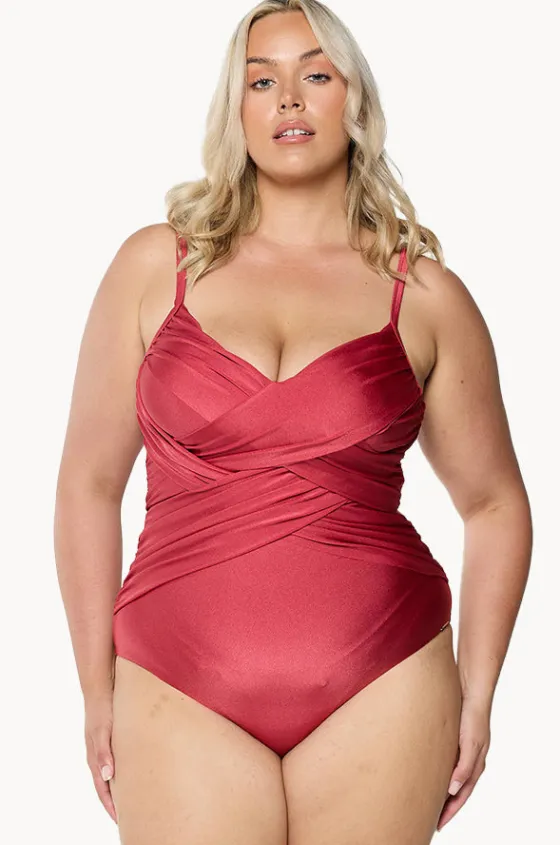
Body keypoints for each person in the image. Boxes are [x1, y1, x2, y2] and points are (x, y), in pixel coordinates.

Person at [53, 1, 533, 843]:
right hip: (175, 678)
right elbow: (88, 485)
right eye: (261, 81)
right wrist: (96, 687)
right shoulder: (153, 267)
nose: (288, 99)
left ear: (355, 100)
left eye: (316, 74)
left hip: (383, 678)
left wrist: (479, 691)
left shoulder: (425, 296)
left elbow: (494, 502)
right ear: (234, 110)